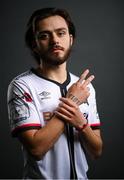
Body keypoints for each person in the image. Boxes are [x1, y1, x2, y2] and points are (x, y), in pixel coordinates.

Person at [7, 7, 103, 179]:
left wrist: (81, 124)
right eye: (44, 35)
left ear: (70, 39)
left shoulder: (84, 88)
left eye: (61, 33)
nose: (54, 41)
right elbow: (36, 149)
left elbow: (97, 151)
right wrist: (72, 102)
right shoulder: (22, 86)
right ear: (34, 45)